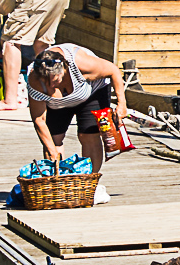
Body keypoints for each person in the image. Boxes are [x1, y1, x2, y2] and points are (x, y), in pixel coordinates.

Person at [26, 42, 134, 179]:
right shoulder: (34, 79)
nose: (52, 85)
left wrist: (121, 104)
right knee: (53, 140)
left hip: (91, 92)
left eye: (55, 80)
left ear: (64, 69)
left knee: (88, 135)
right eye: (46, 82)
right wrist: (52, 150)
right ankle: (58, 180)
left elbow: (113, 70)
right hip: (56, 104)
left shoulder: (80, 62)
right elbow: (39, 120)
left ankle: (89, 181)